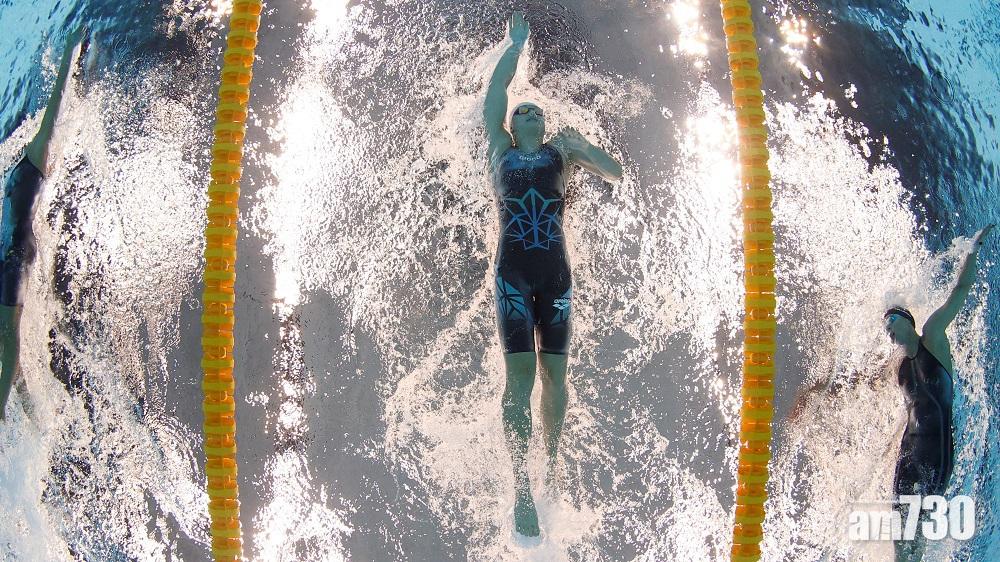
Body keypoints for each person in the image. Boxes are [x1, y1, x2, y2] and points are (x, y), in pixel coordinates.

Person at [482, 11, 623, 537]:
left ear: (543, 126)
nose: (529, 114)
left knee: (555, 377)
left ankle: (554, 464)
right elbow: (496, 91)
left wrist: (584, 146)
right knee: (520, 377)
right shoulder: (498, 150)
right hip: (513, 278)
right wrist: (514, 45)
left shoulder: (561, 152)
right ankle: (522, 488)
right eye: (523, 112)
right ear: (512, 124)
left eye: (537, 113)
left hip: (556, 279)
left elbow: (615, 173)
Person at [884, 223, 993, 561]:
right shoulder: (899, 367)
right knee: (898, 531)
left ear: (908, 321)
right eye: (885, 328)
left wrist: (972, 251)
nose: (888, 330)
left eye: (891, 322)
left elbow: (960, 289)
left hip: (937, 451)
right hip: (909, 452)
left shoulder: (932, 337)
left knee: (917, 530)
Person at [0, 31, 84, 421]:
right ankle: (26, 404)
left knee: (8, 335)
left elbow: (53, 111)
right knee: (4, 335)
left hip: (16, 253)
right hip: (10, 250)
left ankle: (3, 411)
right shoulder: (22, 168)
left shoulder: (35, 160)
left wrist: (69, 53)